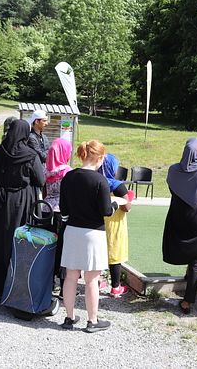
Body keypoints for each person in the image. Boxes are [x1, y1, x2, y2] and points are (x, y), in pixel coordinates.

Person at [0, 119, 45, 303]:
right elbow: (40, 179)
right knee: (17, 242)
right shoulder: (30, 154)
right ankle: (14, 288)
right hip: (20, 201)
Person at [59, 140, 118, 332]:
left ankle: (69, 317)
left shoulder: (69, 176)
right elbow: (106, 211)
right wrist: (116, 205)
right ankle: (92, 320)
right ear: (99, 157)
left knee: (71, 276)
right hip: (93, 233)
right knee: (92, 279)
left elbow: (64, 208)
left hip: (72, 230)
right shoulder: (100, 181)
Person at [163, 138, 197, 314]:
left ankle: (186, 276)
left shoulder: (172, 169)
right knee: (196, 259)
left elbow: (175, 188)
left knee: (181, 245)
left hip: (177, 214)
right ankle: (187, 302)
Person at [99, 153, 133, 297]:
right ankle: (115, 287)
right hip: (114, 223)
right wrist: (130, 198)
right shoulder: (117, 185)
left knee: (99, 252)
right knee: (115, 254)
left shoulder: (97, 181)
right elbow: (127, 207)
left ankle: (98, 281)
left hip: (98, 221)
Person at [43, 138, 73, 291]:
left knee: (47, 247)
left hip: (45, 210)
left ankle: (47, 283)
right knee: (62, 248)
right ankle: (63, 287)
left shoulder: (46, 169)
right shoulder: (67, 171)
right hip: (61, 212)